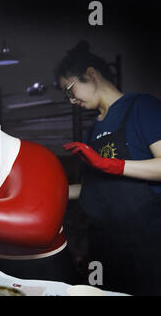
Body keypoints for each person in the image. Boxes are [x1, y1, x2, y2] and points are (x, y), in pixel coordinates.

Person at [54, 40, 161, 295]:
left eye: (70, 89)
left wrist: (112, 164)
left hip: (147, 241)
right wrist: (50, 191)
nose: (71, 100)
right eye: (66, 95)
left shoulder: (141, 107)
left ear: (91, 74)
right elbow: (94, 186)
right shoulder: (93, 130)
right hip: (104, 242)